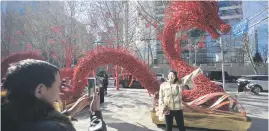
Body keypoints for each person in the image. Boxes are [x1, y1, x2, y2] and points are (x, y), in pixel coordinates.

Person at [1, 59, 89, 131]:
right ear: (40, 90)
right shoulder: (57, 128)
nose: (59, 91)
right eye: (58, 86)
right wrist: (96, 115)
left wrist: (71, 111)